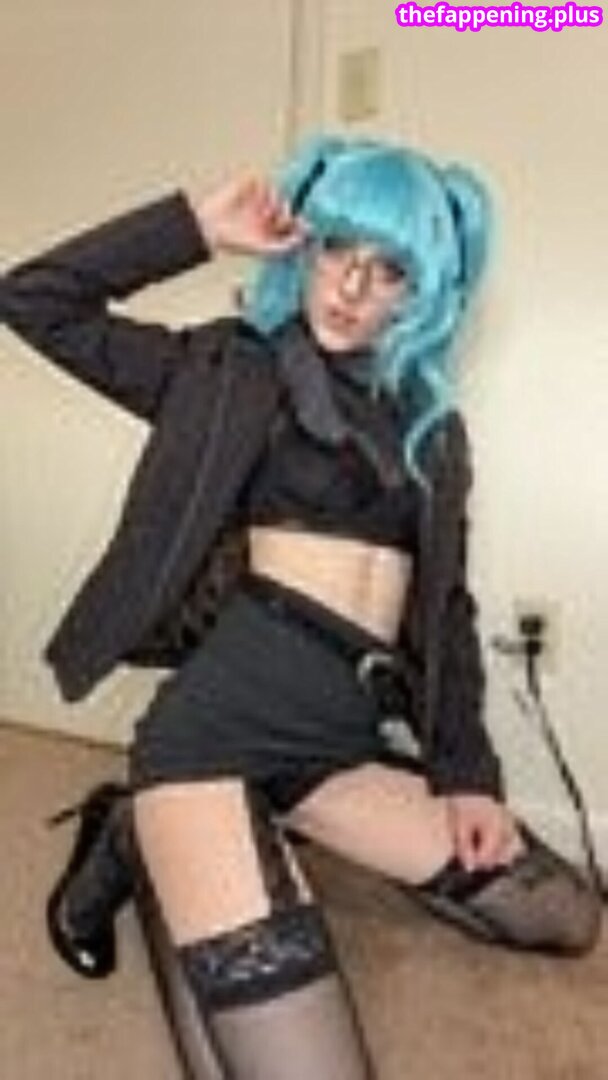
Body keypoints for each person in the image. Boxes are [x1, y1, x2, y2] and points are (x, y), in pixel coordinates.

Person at [2, 135, 601, 1080]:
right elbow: (32, 298)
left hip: (334, 748)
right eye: (335, 249)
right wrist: (195, 225)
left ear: (422, 294)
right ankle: (144, 829)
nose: (352, 287)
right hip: (216, 733)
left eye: (389, 268)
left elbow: (444, 610)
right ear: (304, 249)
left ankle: (173, 827)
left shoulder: (432, 432)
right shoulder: (227, 369)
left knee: (563, 915)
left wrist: (469, 775)